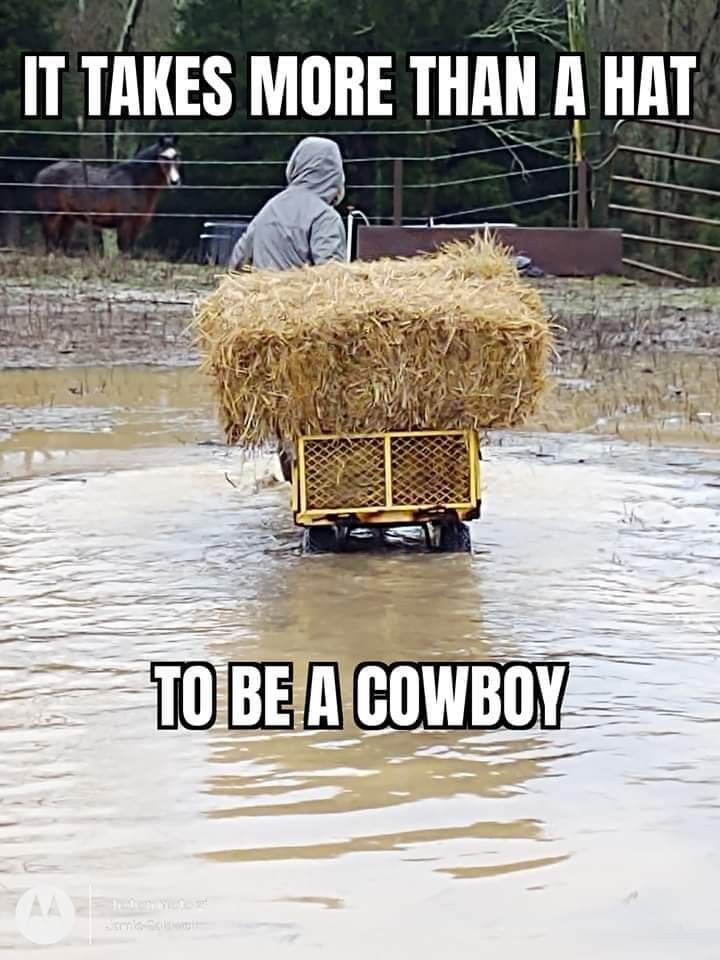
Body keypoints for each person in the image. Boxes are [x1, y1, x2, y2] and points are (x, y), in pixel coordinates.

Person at [229, 136, 346, 271]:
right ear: (335, 172)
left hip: (263, 289)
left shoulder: (270, 208)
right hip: (302, 291)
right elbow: (332, 275)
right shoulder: (324, 216)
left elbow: (238, 259)